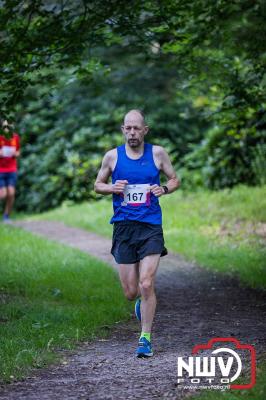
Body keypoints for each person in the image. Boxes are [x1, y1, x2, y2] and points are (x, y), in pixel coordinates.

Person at [94, 109, 179, 357]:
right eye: (127, 128)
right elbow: (97, 185)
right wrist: (112, 187)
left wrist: (164, 188)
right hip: (124, 227)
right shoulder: (112, 157)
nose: (132, 132)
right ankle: (141, 303)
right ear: (123, 130)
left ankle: (145, 338)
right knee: (131, 292)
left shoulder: (157, 153)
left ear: (145, 130)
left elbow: (175, 179)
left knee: (146, 282)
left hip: (151, 226)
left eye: (136, 128)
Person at [0, 119, 21, 222]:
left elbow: (18, 151)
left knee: (11, 193)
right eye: (5, 126)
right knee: (3, 194)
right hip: (0, 170)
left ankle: (6, 216)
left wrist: (15, 154)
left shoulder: (15, 137)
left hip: (12, 169)